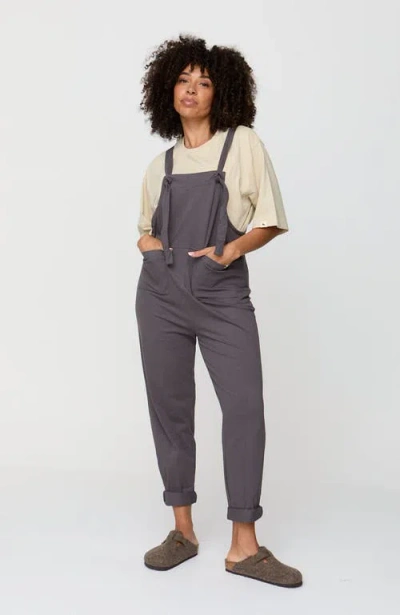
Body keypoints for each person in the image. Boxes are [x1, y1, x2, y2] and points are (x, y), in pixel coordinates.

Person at [135, 34, 303, 588]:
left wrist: (227, 253)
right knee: (171, 409)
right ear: (167, 89)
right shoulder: (160, 164)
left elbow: (270, 220)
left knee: (245, 408)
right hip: (160, 298)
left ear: (221, 93)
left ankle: (243, 545)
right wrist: (152, 252)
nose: (191, 89)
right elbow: (144, 231)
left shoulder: (242, 144)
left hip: (221, 293)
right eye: (183, 80)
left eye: (204, 82)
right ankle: (182, 531)